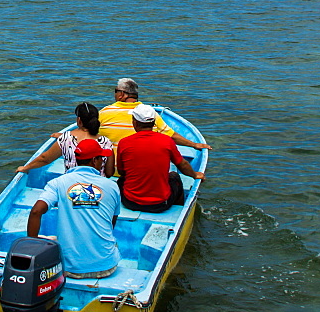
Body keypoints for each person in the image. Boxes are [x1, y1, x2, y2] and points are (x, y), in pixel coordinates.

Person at [27, 139, 120, 279]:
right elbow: (110, 224)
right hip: (106, 267)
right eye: (101, 158)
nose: (103, 162)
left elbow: (36, 211)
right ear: (94, 160)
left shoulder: (58, 183)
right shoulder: (112, 186)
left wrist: (31, 245)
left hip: (70, 270)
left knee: (51, 240)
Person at [116, 104, 205, 212]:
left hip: (130, 202)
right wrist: (195, 174)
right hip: (160, 205)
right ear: (154, 122)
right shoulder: (167, 141)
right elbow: (183, 164)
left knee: (121, 180)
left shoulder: (124, 143)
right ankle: (180, 210)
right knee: (175, 177)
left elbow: (122, 172)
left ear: (135, 122)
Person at [99, 77, 211, 152]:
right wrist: (194, 144)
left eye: (115, 91)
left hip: (112, 170)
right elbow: (172, 136)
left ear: (121, 94)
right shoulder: (150, 114)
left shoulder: (104, 112)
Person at [17, 102, 115, 178]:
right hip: (98, 186)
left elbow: (45, 159)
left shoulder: (66, 138)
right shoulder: (106, 142)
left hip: (71, 185)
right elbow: (109, 173)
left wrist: (25, 168)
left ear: (79, 121)